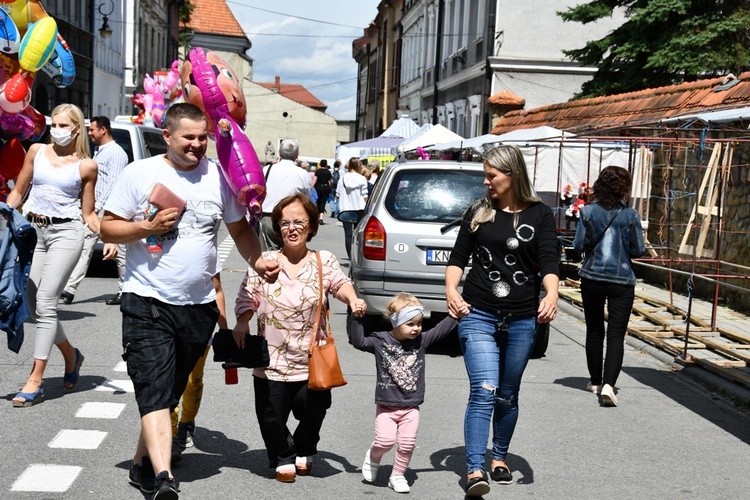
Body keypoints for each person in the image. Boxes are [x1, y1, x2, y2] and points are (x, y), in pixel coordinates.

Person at [100, 103, 279, 499]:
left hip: (197, 307)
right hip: (145, 299)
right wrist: (145, 227)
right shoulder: (140, 173)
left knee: (167, 391)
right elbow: (107, 227)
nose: (199, 145)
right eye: (190, 137)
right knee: (152, 385)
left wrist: (259, 261)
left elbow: (240, 231)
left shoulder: (217, 176)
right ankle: (163, 477)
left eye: (203, 137)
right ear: (167, 136)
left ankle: (141, 463)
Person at [445, 145, 559, 496]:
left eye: (492, 175)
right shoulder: (479, 211)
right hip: (478, 313)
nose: (486, 181)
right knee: (484, 390)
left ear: (512, 175)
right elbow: (458, 257)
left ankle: (499, 456)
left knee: (507, 395)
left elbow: (549, 260)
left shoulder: (541, 215)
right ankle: (476, 469)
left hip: (523, 319)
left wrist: (552, 294)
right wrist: (452, 290)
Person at [233, 193, 366, 484]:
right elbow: (247, 296)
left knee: (314, 411)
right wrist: (242, 322)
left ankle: (304, 448)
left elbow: (340, 284)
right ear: (277, 228)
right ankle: (283, 456)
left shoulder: (323, 261)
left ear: (311, 227)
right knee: (270, 416)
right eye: (285, 223)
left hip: (312, 357)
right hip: (270, 359)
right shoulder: (264, 261)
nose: (292, 228)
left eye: (299, 222)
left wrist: (353, 300)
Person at [8, 103, 99, 407]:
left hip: (66, 233)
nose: (57, 130)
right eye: (54, 124)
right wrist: (6, 213)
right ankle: (71, 355)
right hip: (33, 232)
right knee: (35, 306)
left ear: (77, 128)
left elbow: (88, 213)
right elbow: (19, 192)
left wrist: (112, 234)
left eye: (64, 125)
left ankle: (35, 380)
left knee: (46, 302)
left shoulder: (86, 166)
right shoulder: (35, 151)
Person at [351, 292, 463, 494]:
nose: (416, 329)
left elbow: (441, 330)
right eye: (410, 324)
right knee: (384, 441)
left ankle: (397, 475)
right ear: (396, 322)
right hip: (386, 406)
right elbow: (359, 342)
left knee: (407, 444)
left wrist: (456, 315)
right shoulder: (381, 341)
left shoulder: (421, 341)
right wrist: (357, 317)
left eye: (419, 323)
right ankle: (374, 456)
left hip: (411, 406)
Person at [573, 166, 645, 407]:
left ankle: (594, 380)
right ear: (624, 188)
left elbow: (578, 245)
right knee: (616, 334)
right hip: (622, 280)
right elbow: (638, 250)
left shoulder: (587, 212)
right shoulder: (630, 215)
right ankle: (608, 385)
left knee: (594, 330)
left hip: (592, 277)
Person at [60, 116, 128, 306]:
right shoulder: (99, 152)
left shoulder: (116, 153)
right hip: (94, 209)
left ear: (103, 130)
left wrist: (99, 208)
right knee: (84, 247)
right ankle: (69, 290)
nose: (89, 133)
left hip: (109, 210)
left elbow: (113, 183)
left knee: (120, 251)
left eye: (92, 130)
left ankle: (125, 291)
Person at [170, 272, 225, 463]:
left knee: (193, 380)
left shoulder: (203, 246)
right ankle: (171, 434)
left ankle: (186, 423)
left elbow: (217, 289)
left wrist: (224, 330)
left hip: (200, 325)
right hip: (167, 322)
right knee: (170, 381)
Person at [258, 139, 312, 251]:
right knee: (291, 253)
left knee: (269, 254)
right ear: (297, 155)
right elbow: (307, 199)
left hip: (269, 216)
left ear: (279, 152)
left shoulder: (267, 170)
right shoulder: (303, 174)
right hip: (293, 219)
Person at [336, 157, 368, 260]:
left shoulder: (343, 178)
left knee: (348, 235)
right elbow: (365, 196)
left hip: (346, 209)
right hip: (359, 209)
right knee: (359, 234)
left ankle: (350, 257)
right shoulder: (362, 178)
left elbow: (337, 194)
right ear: (359, 166)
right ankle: (358, 256)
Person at [312, 159, 332, 225]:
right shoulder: (328, 172)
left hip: (318, 187)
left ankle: (317, 217)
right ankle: (321, 218)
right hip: (325, 188)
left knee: (318, 202)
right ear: (326, 164)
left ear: (320, 164)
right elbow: (331, 181)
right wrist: (330, 187)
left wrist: (311, 186)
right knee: (323, 202)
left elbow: (315, 179)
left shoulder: (318, 171)